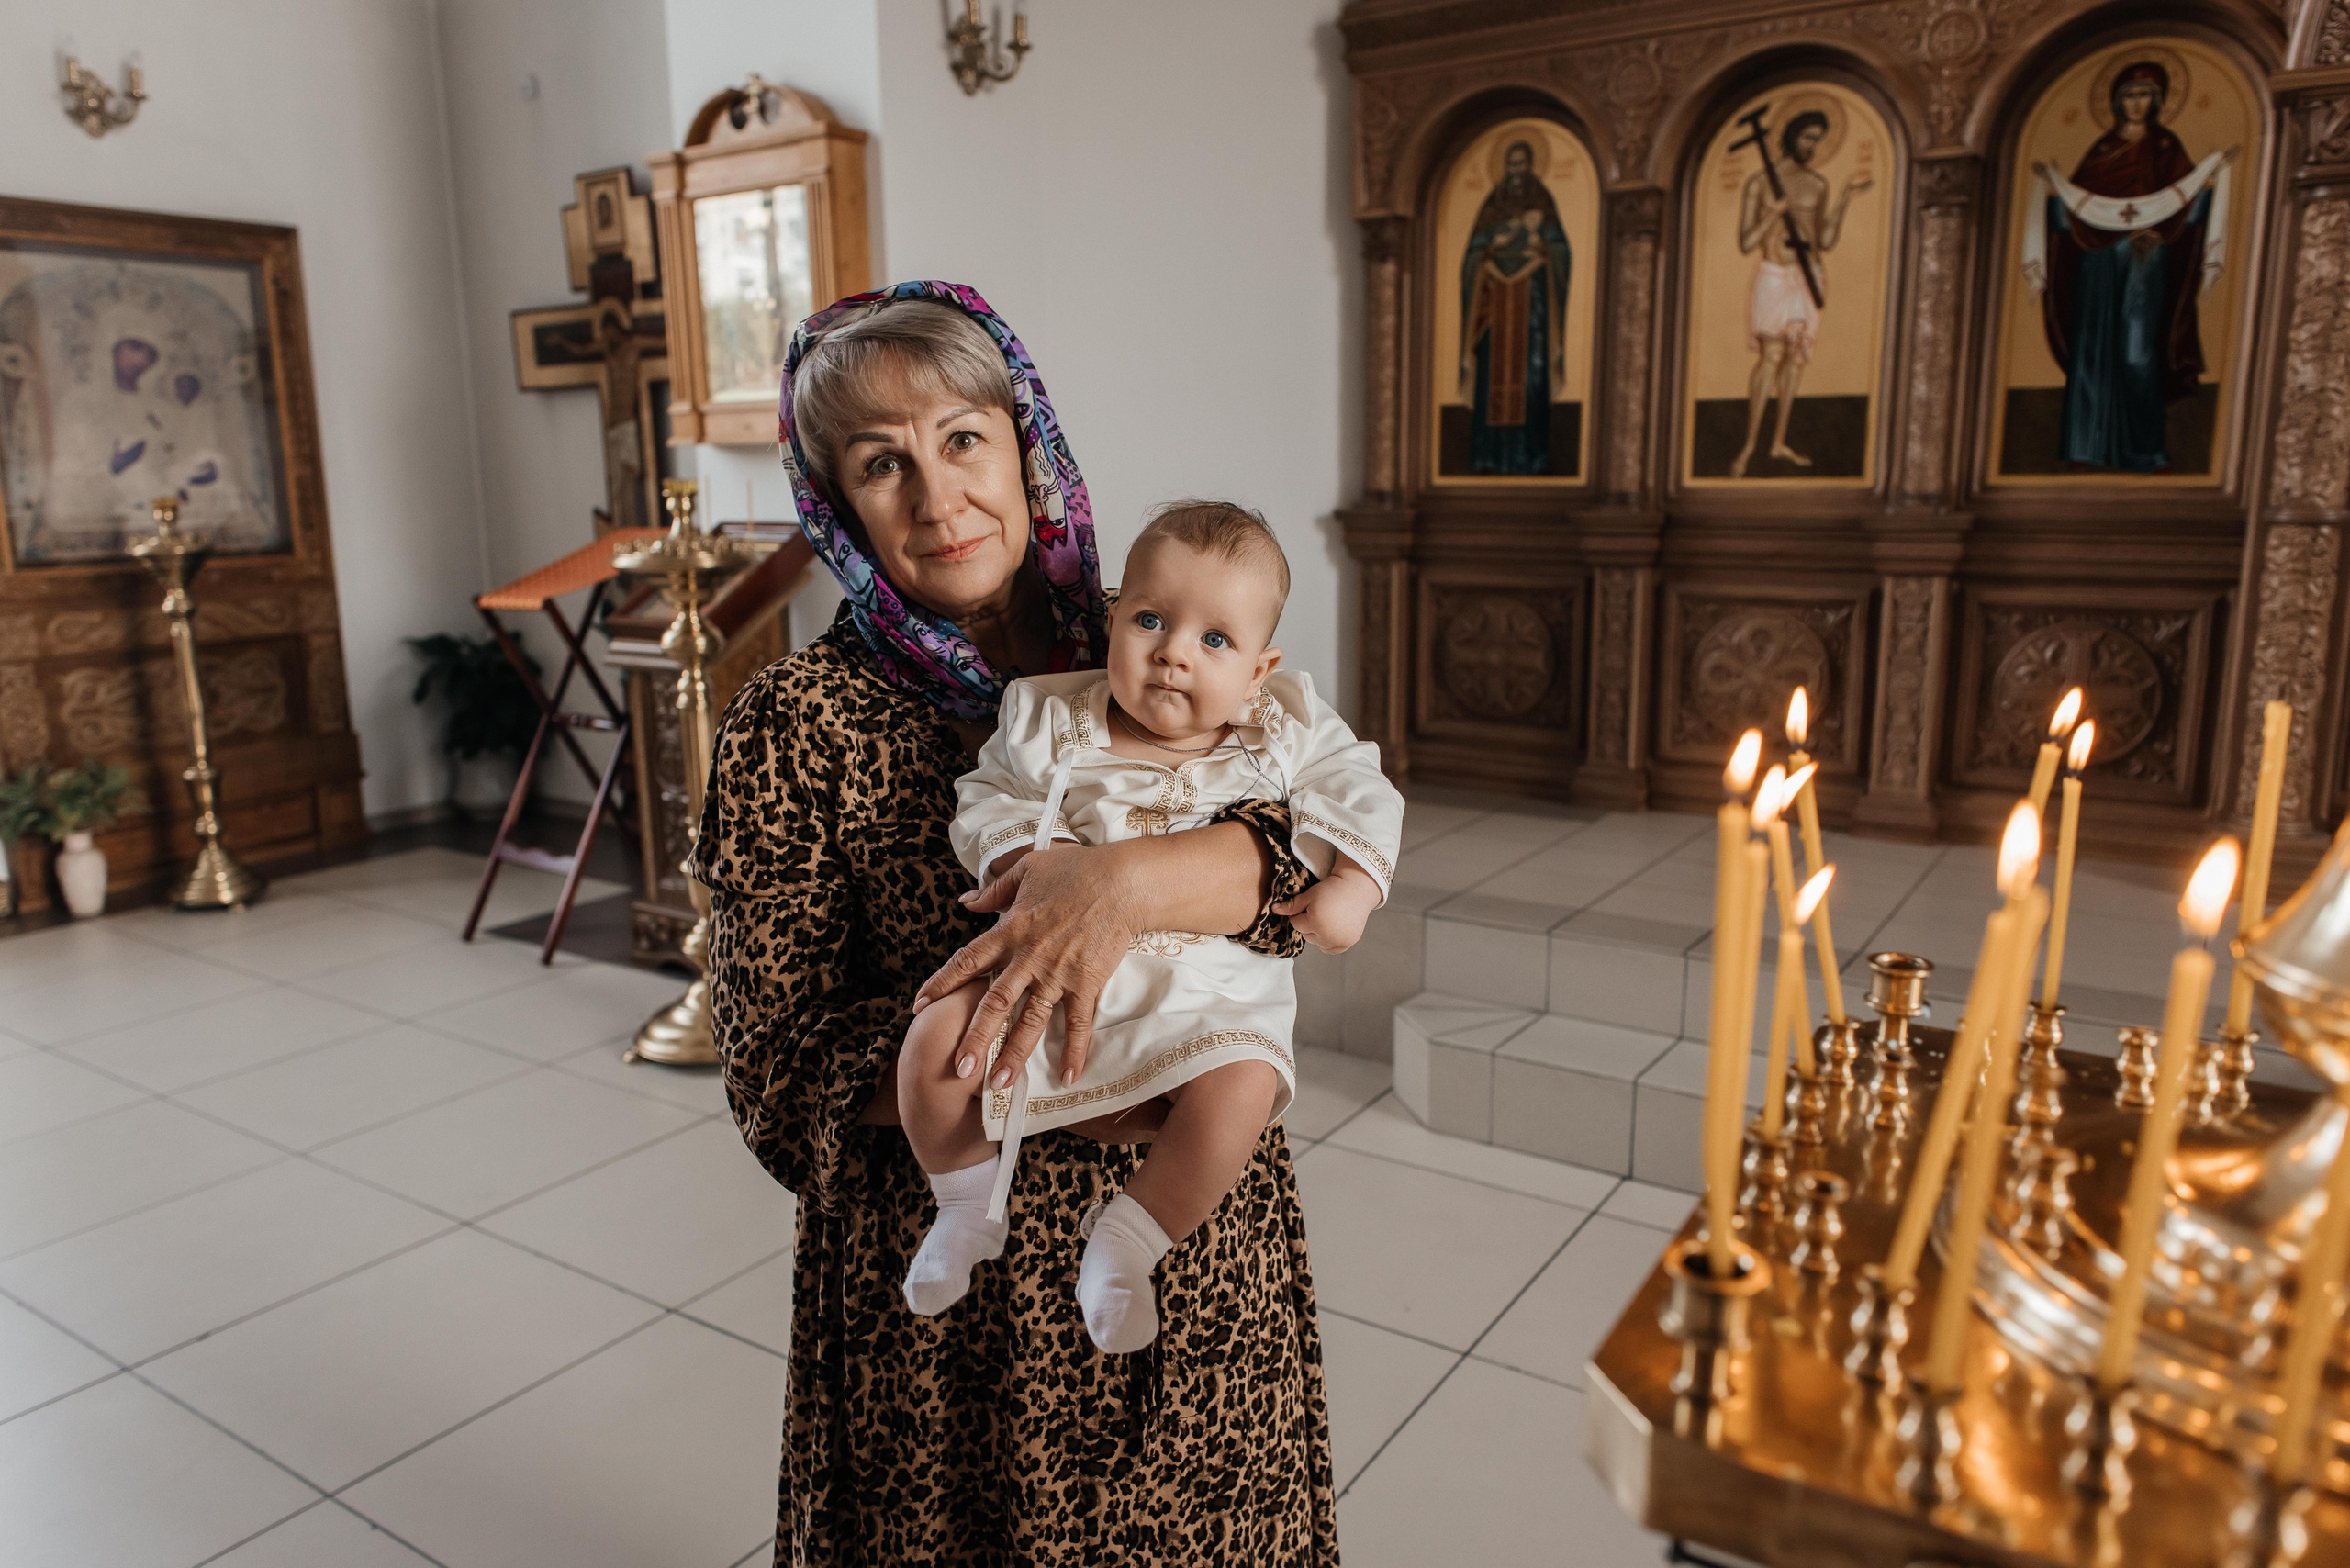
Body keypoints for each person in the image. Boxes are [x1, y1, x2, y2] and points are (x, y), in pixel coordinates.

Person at [696, 281, 1341, 1564]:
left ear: (1024, 442)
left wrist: (1115, 890)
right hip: (951, 1311)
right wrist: (1041, 1060)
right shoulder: (796, 723)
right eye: (882, 464)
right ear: (834, 500)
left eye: (961, 439)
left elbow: (1296, 874)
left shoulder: (1161, 636)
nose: (936, 498)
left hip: (1188, 1242)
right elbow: (779, 1064)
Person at [898, 501, 1403, 1354]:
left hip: (1208, 991)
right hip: (1054, 966)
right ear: (1112, 619)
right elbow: (989, 797)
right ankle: (964, 1208)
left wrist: (1355, 882)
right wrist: (1024, 857)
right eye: (1151, 619)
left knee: (1242, 1087)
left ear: (1258, 667)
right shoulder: (1050, 718)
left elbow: (1362, 789)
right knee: (938, 1038)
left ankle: (1129, 1242)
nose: (1173, 650)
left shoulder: (1282, 726)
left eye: (1215, 640)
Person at [2023, 62, 2235, 473]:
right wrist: (2051, 190)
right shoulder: (2102, 152)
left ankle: (2144, 450)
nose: (2137, 103)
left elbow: (2188, 204)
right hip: (2098, 263)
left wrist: (2202, 188)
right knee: (2092, 352)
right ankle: (2088, 447)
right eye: (2131, 95)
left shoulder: (2165, 148)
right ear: (2118, 101)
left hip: (2145, 261)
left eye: (2145, 95)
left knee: (2137, 353)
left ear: (2156, 102)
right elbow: (2077, 209)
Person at [1727, 108, 1872, 478]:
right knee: (1771, 355)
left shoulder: (1818, 184)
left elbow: (1823, 239)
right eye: (1808, 137)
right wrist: (1773, 215)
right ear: (1791, 137)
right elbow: (1746, 243)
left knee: (1796, 358)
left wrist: (1843, 200)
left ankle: (1778, 442)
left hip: (1810, 276)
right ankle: (1748, 446)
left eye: (1818, 139)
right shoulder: (1761, 183)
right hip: (1774, 275)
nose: (1813, 145)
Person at [1459, 140, 1571, 475]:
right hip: (1495, 304)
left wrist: (1544, 250)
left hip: (1530, 305)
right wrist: (1494, 246)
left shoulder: (1543, 202)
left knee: (1530, 376)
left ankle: (1530, 456)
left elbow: (1561, 250)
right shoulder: (1492, 205)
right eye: (1511, 165)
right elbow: (1472, 254)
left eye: (1522, 165)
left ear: (1532, 166)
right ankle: (1488, 456)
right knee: (1491, 372)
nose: (1516, 172)